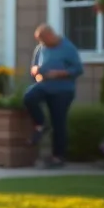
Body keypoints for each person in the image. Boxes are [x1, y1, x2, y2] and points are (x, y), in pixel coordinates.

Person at [23, 24, 84, 168]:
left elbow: (78, 69)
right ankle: (41, 124)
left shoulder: (68, 48)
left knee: (59, 122)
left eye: (43, 40)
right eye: (40, 41)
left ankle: (58, 157)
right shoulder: (40, 48)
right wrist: (36, 73)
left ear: (51, 35)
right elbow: (34, 69)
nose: (41, 43)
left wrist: (59, 73)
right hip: (44, 86)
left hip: (63, 90)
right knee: (29, 97)